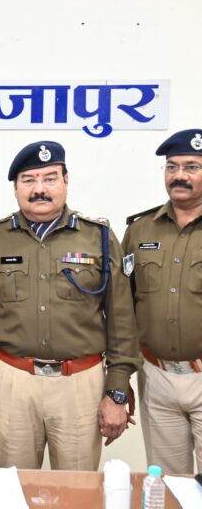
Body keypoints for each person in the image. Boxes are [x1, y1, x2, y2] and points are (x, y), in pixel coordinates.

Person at [0, 140, 140, 470]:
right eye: (29, 180)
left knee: (77, 488)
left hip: (80, 383)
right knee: (16, 485)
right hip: (14, 381)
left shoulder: (98, 236)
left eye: (50, 178)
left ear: (66, 181)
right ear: (15, 187)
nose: (39, 189)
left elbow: (121, 321)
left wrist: (116, 391)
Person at [122, 128, 202, 474]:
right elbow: (123, 307)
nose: (179, 176)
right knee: (168, 484)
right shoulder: (140, 230)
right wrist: (121, 375)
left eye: (192, 167)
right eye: (172, 167)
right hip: (156, 376)